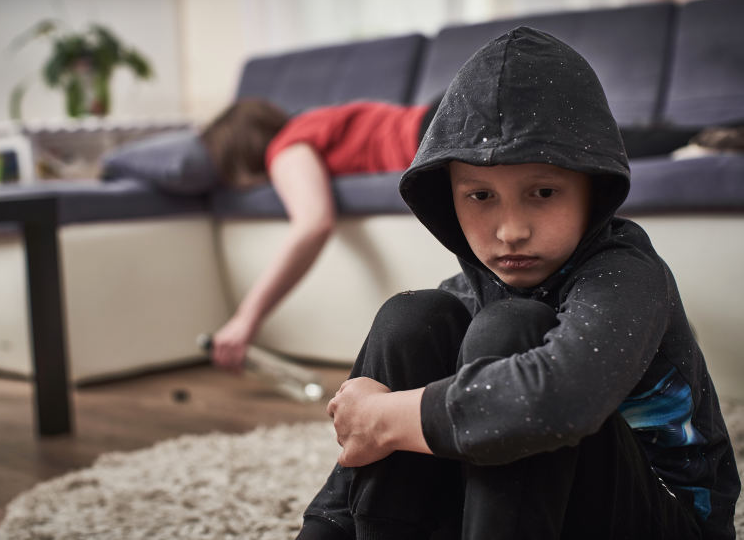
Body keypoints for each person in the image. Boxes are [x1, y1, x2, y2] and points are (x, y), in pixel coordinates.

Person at [297, 27, 740, 539]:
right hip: (531, 514)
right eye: (480, 197)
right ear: (449, 199)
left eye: (543, 192)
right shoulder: (467, 288)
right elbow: (359, 440)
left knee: (512, 329)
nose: (511, 231)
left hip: (661, 518)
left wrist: (387, 417)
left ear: (591, 190)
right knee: (411, 319)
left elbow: (560, 400)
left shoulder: (628, 274)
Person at [201, 97, 440, 369]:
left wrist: (245, 319)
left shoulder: (286, 148)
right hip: (438, 118)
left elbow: (313, 224)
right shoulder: (310, 122)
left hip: (434, 134)